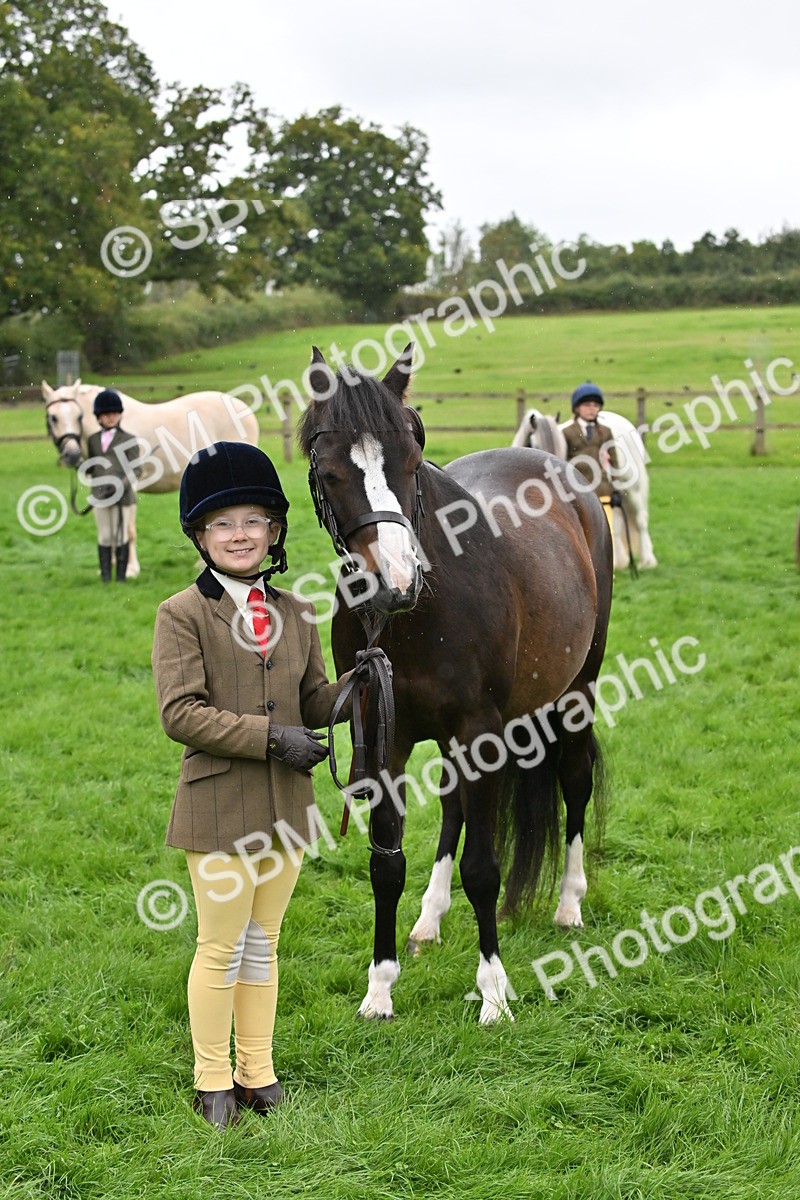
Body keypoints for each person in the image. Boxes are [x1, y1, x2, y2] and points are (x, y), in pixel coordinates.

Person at [152, 441, 354, 1131]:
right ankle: (211, 1080)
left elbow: (312, 700)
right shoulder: (182, 612)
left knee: (263, 943)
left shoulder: (298, 611)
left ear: (273, 531)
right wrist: (272, 739)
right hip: (218, 806)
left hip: (288, 809)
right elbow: (181, 713)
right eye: (223, 524)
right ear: (201, 536)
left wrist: (354, 690)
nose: (240, 535)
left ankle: (256, 1071)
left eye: (253, 521)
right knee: (222, 945)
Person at [85, 389, 140, 583]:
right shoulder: (92, 440)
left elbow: (136, 470)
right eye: (106, 414)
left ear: (120, 414)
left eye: (114, 414)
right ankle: (106, 577)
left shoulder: (129, 440)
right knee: (105, 535)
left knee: (121, 535)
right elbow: (92, 466)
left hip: (123, 497)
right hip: (100, 496)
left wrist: (120, 486)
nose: (110, 418)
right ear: (99, 417)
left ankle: (121, 578)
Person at [562, 382, 622, 534]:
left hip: (602, 490)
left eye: (595, 405)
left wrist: (616, 489)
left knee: (606, 533)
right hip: (576, 492)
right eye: (587, 404)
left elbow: (614, 460)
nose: (592, 409)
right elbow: (561, 461)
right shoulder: (566, 432)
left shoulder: (606, 432)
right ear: (577, 408)